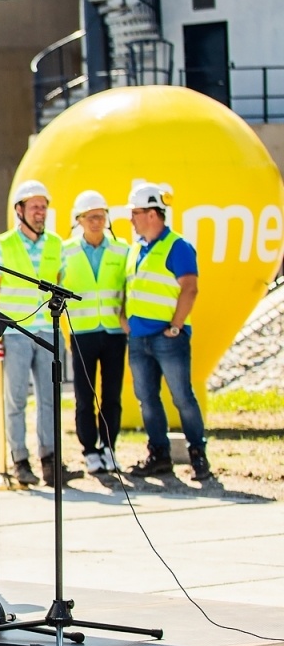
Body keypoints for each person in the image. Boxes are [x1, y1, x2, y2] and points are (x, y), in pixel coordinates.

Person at [0, 180, 75, 488]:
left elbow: (60, 281)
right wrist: (2, 328)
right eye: (35, 207)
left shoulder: (55, 244)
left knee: (50, 399)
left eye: (44, 207)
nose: (41, 212)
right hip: (17, 332)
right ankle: (20, 461)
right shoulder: (3, 244)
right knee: (17, 399)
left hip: (48, 333)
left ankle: (50, 462)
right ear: (19, 210)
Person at [122, 184, 211, 482]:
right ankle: (159, 455)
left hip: (167, 338)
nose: (130, 219)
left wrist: (175, 325)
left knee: (182, 397)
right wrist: (126, 319)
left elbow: (190, 287)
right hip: (139, 338)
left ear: (150, 214)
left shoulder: (178, 246)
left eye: (134, 213)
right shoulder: (136, 248)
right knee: (147, 399)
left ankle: (198, 455)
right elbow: (132, 287)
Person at [61, 190, 129, 476]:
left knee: (112, 394)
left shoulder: (122, 250)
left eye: (100, 216)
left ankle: (110, 448)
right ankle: (90, 450)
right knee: (84, 396)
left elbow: (129, 289)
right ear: (79, 220)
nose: (96, 222)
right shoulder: (65, 252)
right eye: (90, 217)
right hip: (83, 333)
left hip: (114, 332)